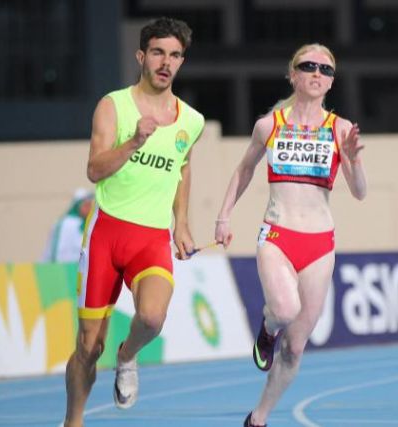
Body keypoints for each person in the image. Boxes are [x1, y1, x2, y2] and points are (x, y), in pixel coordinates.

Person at [61, 17, 205, 427]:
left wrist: (182, 222)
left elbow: (184, 167)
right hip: (107, 236)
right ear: (141, 56)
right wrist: (135, 141)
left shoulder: (190, 121)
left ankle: (126, 356)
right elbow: (94, 169)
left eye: (175, 55)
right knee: (88, 346)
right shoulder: (114, 105)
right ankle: (74, 421)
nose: (166, 62)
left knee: (152, 319)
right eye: (158, 52)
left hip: (151, 239)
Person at [214, 43, 367, 427]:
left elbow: (360, 191)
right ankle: (268, 330)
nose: (318, 73)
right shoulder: (270, 125)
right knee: (284, 310)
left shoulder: (341, 129)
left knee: (296, 347)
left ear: (331, 82)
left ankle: (258, 419)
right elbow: (244, 170)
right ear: (292, 74)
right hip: (278, 235)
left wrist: (354, 158)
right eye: (309, 66)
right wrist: (223, 217)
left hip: (319, 245)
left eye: (326, 69)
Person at [42, 188, 94, 263]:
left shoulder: (88, 224)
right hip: (63, 269)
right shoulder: (66, 223)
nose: (89, 208)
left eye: (91, 204)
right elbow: (57, 251)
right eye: (86, 205)